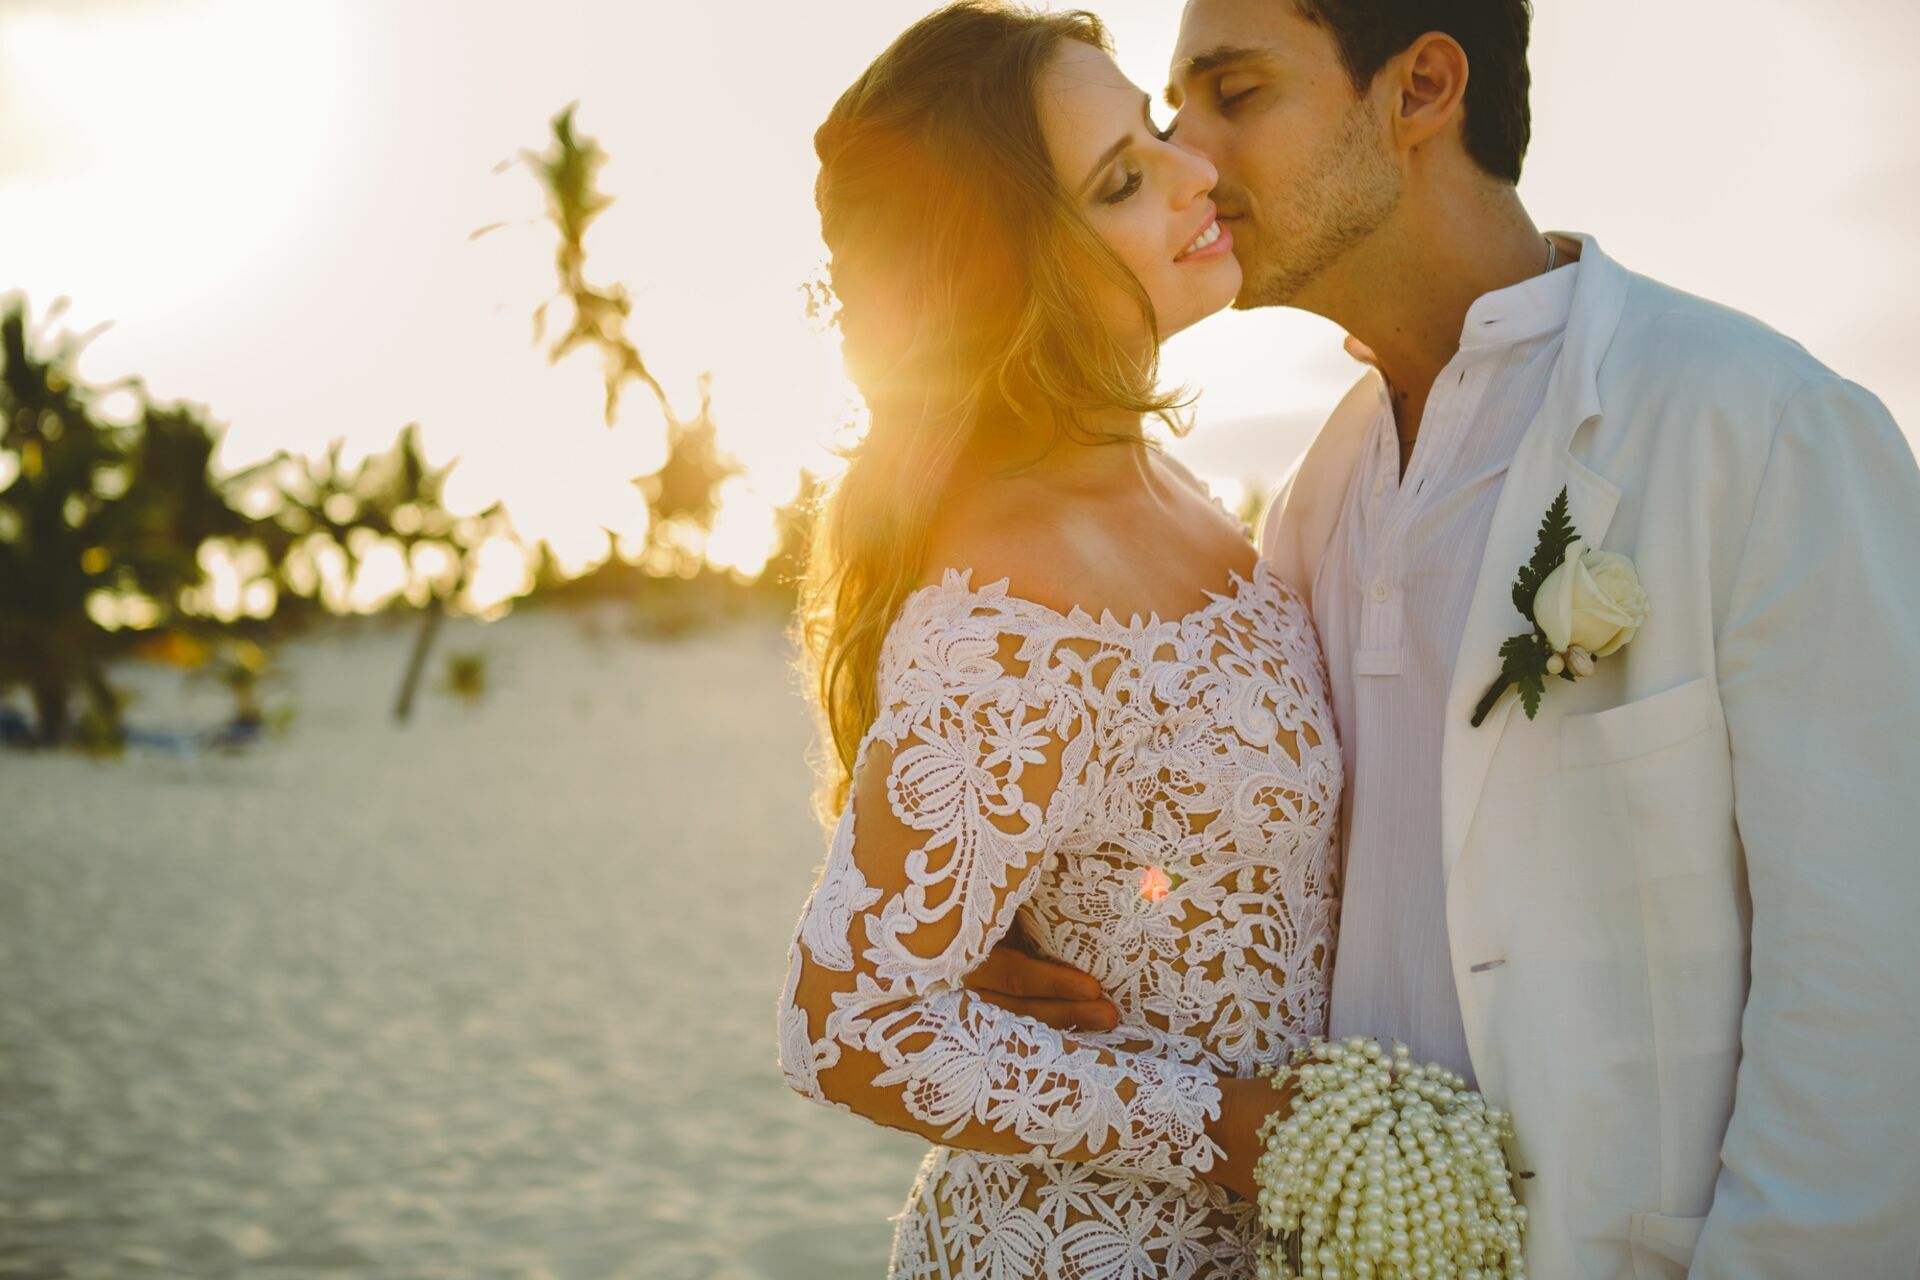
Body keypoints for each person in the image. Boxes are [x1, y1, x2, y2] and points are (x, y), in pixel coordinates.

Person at [972, 0, 1920, 1276]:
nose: (1189, 154)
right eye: (1171, 111)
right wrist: (1034, 918)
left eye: (1234, 93)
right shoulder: (1317, 497)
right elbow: (1242, 870)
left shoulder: (1763, 433)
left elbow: (1871, 1002)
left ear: (1420, 90)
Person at [774, 4, 1344, 1275]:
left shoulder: (1168, 494)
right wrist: (1224, 1127)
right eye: (1124, 181)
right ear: (1015, 267)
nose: (1197, 172)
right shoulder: (1016, 598)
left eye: (1153, 134)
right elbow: (847, 1020)